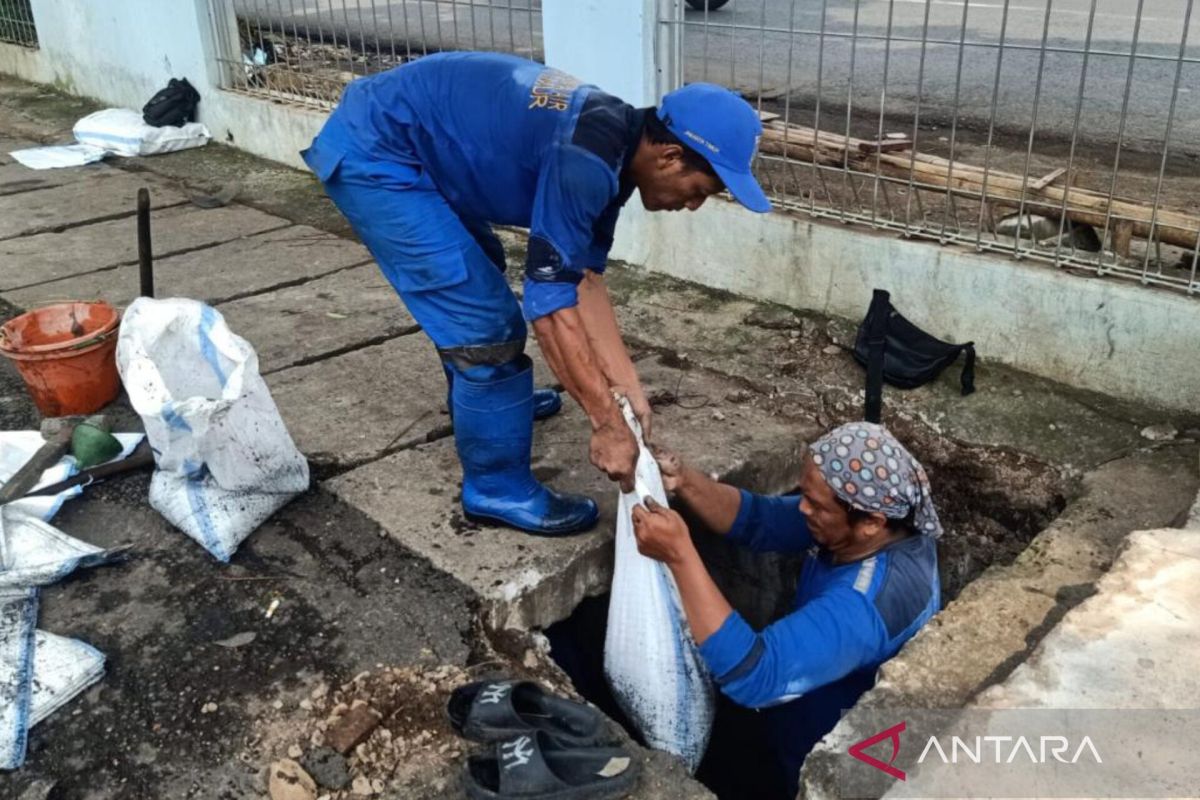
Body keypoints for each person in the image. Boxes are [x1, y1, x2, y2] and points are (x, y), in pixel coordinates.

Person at [301, 52, 771, 536]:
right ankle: (494, 486)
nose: (693, 205)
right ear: (671, 156)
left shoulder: (618, 149)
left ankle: (486, 402)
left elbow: (583, 277)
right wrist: (606, 424)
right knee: (485, 325)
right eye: (700, 189)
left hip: (414, 137)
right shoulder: (585, 161)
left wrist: (629, 391)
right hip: (378, 151)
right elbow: (549, 307)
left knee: (481, 269)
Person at [631, 422, 941, 795]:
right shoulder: (875, 524)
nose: (803, 508)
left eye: (816, 505)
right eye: (805, 494)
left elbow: (754, 676)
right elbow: (760, 520)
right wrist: (684, 481)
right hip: (798, 710)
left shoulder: (864, 605)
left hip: (827, 751)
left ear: (871, 523)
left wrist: (680, 555)